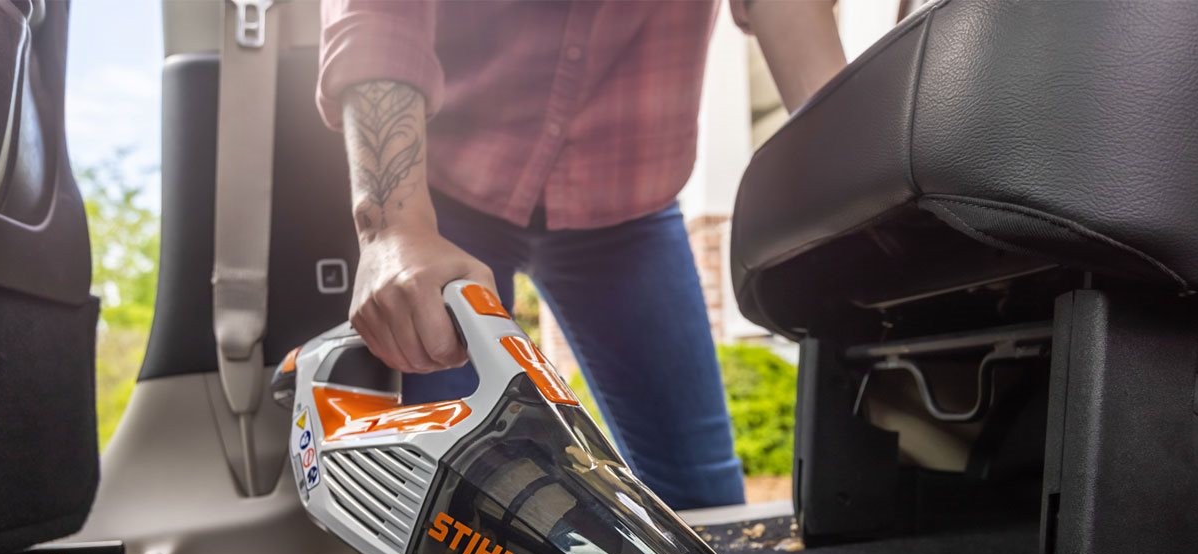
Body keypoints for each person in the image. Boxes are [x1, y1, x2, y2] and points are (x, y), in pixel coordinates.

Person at [318, 0, 845, 509]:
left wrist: (858, 183)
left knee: (702, 495)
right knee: (451, 490)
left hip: (630, 199)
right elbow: (380, 16)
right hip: (443, 196)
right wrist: (393, 227)